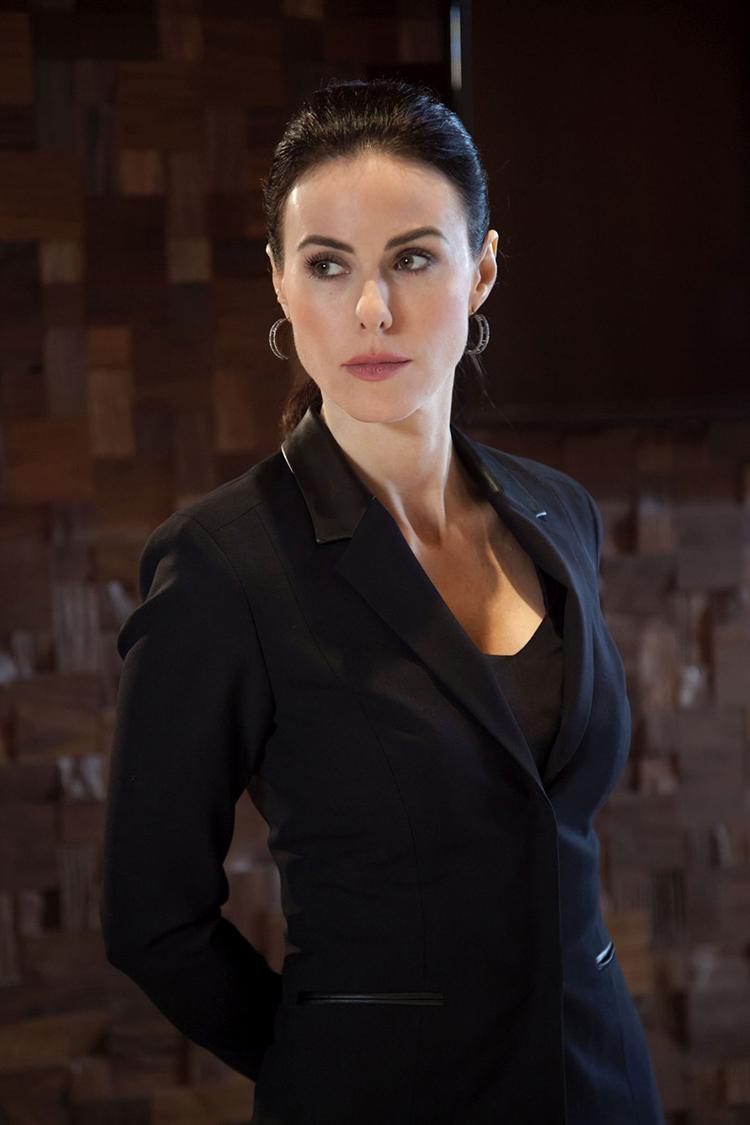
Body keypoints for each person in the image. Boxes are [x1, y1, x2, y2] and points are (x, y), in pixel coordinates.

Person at [100, 77, 665, 1125]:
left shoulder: (561, 514)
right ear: (280, 283)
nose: (372, 309)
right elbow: (150, 919)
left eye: (412, 258)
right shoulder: (221, 565)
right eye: (329, 265)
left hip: (601, 1084)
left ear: (481, 270)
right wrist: (330, 1058)